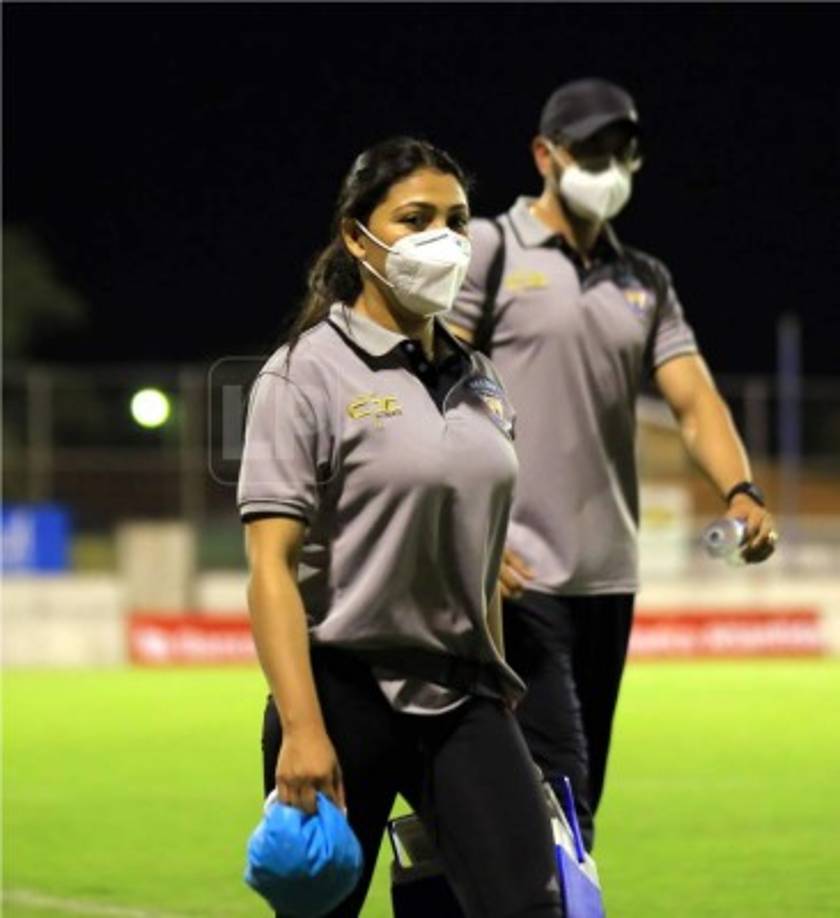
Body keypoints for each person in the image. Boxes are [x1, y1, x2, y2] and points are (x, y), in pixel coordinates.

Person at [447, 78, 778, 851]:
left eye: (623, 152)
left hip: (610, 581)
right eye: (592, 151)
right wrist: (464, 531)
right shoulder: (491, 253)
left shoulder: (646, 280)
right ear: (545, 155)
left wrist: (741, 489)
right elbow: (434, 391)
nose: (611, 167)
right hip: (519, 576)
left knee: (570, 792)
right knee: (561, 800)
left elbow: (694, 401)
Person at [237, 137, 564, 918]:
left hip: (465, 695)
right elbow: (270, 570)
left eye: (456, 219)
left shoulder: (480, 376)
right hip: (342, 693)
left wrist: (496, 667)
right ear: (358, 236)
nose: (441, 239)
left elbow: (476, 538)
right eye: (414, 218)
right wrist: (303, 729)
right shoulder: (302, 374)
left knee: (531, 907)